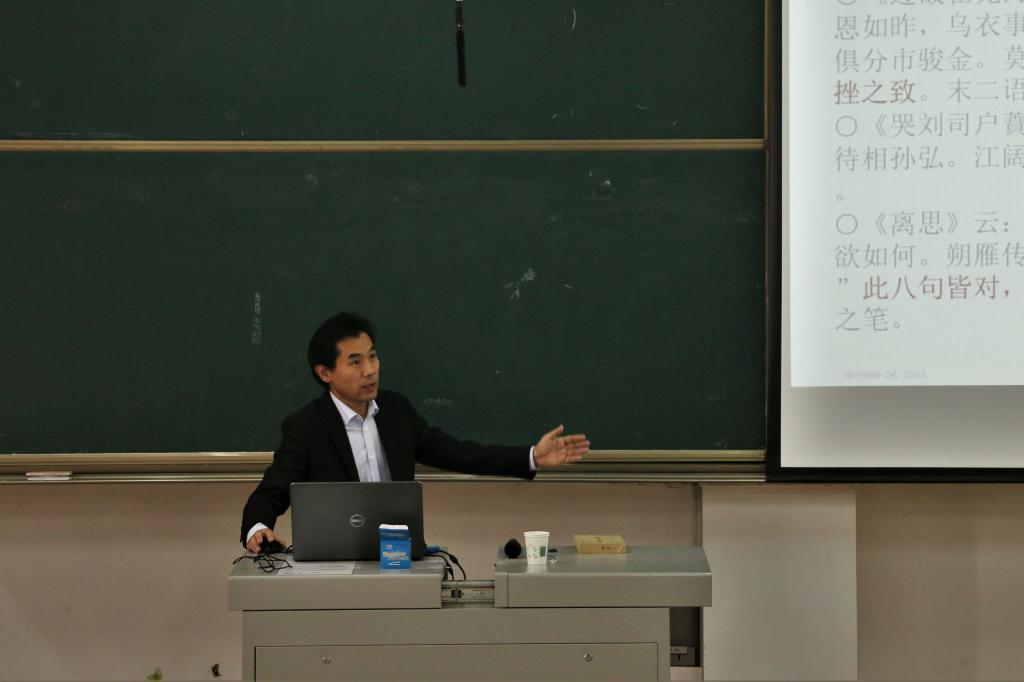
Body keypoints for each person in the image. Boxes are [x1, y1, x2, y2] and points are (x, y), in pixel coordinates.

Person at [241, 311, 589, 552]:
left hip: (398, 559)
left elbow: (458, 453)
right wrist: (258, 529)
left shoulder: (396, 412)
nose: (370, 370)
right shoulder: (306, 426)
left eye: (373, 357)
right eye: (356, 362)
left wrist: (531, 456)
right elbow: (271, 490)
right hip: (334, 566)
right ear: (325, 373)